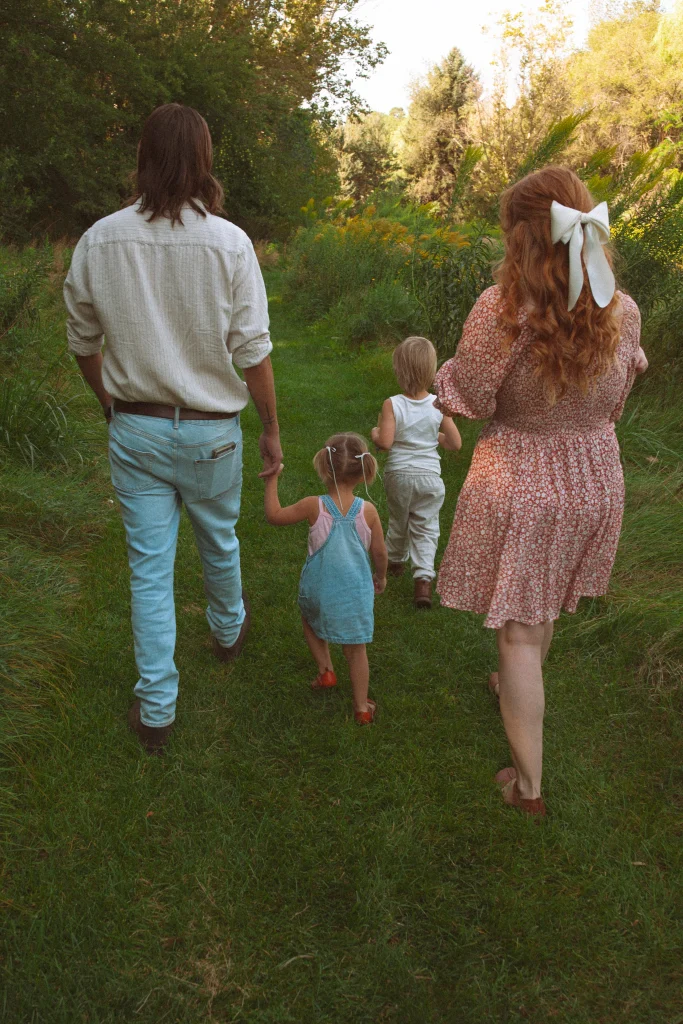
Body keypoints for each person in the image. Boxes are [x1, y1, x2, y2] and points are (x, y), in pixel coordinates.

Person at [63, 104, 283, 755]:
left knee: (149, 570)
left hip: (136, 430)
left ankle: (156, 707)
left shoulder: (99, 239)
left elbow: (81, 340)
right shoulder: (230, 243)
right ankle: (226, 629)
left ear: (144, 158)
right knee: (219, 540)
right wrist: (269, 427)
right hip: (215, 431)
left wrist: (109, 400)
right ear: (203, 160)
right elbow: (253, 352)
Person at [434, 166, 648, 817]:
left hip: (524, 481)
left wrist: (442, 377)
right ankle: (512, 681)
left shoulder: (501, 314)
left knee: (520, 634)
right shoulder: (622, 308)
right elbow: (616, 401)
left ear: (521, 239)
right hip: (592, 477)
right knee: (542, 605)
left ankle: (527, 787)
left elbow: (468, 398)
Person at [264, 433, 388, 723]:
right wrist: (380, 576)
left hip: (318, 591)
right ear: (362, 473)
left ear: (324, 467)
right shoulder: (368, 511)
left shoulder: (313, 506)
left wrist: (272, 479)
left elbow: (275, 515)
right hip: (355, 595)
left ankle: (325, 671)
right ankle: (361, 708)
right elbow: (381, 553)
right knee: (356, 651)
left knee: (310, 618)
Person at [371, 336, 461, 610]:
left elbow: (385, 443)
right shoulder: (438, 404)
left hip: (399, 475)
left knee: (399, 520)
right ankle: (423, 579)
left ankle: (395, 561)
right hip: (430, 478)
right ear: (431, 371)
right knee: (426, 527)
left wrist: (375, 433)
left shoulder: (392, 404)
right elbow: (455, 444)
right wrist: (438, 437)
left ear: (400, 371)